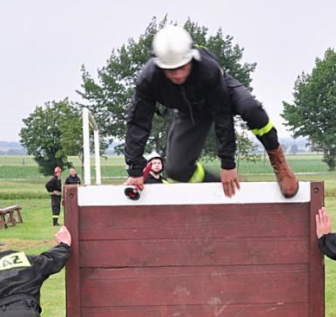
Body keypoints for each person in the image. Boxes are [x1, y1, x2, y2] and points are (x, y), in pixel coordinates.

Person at [123, 25, 298, 199]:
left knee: (251, 110)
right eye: (170, 70)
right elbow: (138, 122)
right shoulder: (148, 79)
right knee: (176, 169)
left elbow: (223, 114)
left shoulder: (208, 69)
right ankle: (216, 185)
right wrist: (136, 169)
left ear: (190, 59)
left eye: (182, 67)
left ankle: (278, 160)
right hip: (190, 110)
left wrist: (227, 164)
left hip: (221, 91)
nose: (177, 75)